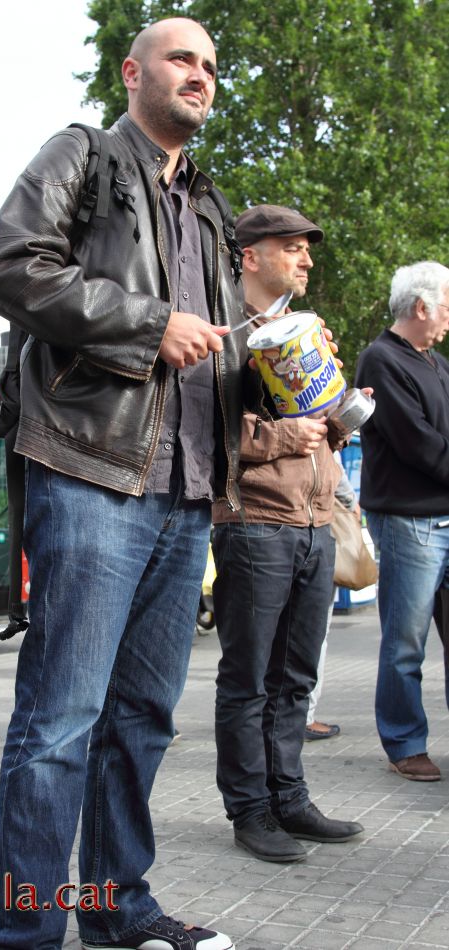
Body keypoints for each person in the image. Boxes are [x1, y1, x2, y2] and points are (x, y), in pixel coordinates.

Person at [0, 18, 249, 950]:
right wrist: (145, 323)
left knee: (140, 722)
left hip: (187, 488)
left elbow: (209, 349)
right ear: (134, 72)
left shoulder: (211, 209)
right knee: (60, 721)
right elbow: (9, 268)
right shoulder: (83, 155)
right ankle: (22, 933)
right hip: (90, 470)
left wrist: (290, 395)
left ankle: (118, 910)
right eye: (182, 59)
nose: (200, 76)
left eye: (211, 66)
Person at [212, 204, 364, 863]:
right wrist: (280, 434)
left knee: (296, 678)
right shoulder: (217, 334)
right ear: (250, 255)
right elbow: (199, 436)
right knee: (248, 680)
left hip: (313, 522)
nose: (305, 260)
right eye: (292, 248)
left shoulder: (301, 332)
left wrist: (338, 408)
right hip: (254, 524)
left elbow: (324, 425)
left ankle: (290, 799)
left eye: (306, 249)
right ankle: (250, 813)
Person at [355, 261, 449, 782]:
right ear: (422, 306)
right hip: (413, 523)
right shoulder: (381, 360)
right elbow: (417, 444)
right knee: (405, 643)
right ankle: (405, 742)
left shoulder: (436, 362)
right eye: (447, 309)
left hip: (444, 515)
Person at [304, 459, 357, 741]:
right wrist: (350, 501)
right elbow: (330, 462)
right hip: (312, 524)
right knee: (313, 634)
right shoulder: (316, 417)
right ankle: (304, 716)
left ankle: (274, 716)